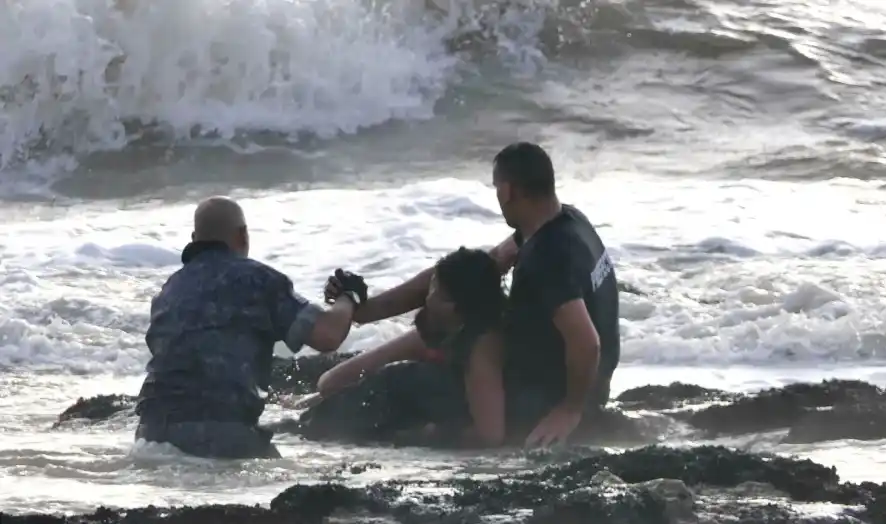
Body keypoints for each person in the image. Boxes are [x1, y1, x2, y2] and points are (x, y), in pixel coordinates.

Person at [327, 142, 619, 447]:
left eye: (496, 190)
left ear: (507, 191)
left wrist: (569, 410)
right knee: (444, 321)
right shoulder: (564, 222)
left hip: (542, 399)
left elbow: (587, 342)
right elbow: (481, 266)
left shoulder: (546, 259)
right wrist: (365, 310)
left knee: (401, 381)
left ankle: (321, 421)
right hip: (586, 386)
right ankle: (328, 391)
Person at [134, 196, 369, 460]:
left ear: (194, 238)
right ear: (242, 235)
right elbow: (328, 336)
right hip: (220, 434)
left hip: (149, 433)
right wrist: (348, 297)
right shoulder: (258, 280)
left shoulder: (169, 291)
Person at [314, 247, 507, 447]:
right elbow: (369, 313)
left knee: (384, 382)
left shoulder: (481, 348)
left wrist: (424, 435)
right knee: (332, 384)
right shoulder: (449, 327)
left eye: (434, 291)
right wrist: (348, 295)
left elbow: (490, 435)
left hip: (440, 402)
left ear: (453, 308)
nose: (426, 299)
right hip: (438, 362)